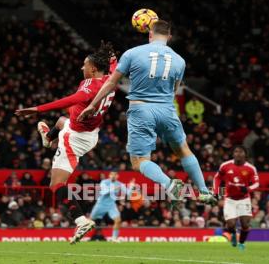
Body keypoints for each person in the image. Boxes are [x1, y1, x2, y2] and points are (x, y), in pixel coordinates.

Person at [77, 20, 216, 206]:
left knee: (139, 162)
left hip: (141, 110)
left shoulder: (132, 53)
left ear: (150, 34)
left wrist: (93, 105)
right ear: (170, 37)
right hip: (167, 109)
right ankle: (205, 191)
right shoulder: (180, 61)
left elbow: (111, 83)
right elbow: (174, 91)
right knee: (183, 150)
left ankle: (169, 184)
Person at [15, 41, 117, 244]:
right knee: (62, 121)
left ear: (93, 69)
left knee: (56, 184)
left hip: (75, 139)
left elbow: (69, 100)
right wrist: (112, 57)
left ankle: (81, 221)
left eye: (84, 65)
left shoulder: (90, 86)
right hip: (90, 132)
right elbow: (115, 64)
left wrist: (37, 109)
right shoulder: (111, 79)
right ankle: (49, 137)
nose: (82, 68)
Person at [213, 146, 259, 251]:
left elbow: (256, 183)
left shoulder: (251, 168)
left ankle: (242, 243)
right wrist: (216, 191)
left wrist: (247, 189)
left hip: (244, 199)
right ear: (233, 154)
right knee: (231, 224)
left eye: (240, 152)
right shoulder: (225, 166)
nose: (238, 154)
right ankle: (233, 234)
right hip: (229, 199)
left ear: (245, 155)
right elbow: (217, 177)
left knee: (245, 224)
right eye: (236, 151)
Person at [90, 171, 133, 242]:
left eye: (115, 174)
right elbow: (104, 192)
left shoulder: (120, 184)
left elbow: (128, 194)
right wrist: (114, 188)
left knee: (118, 220)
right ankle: (77, 235)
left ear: (117, 176)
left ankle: (114, 238)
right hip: (101, 204)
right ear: (109, 176)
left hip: (111, 205)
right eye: (112, 174)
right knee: (89, 221)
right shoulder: (104, 182)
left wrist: (131, 186)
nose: (113, 176)